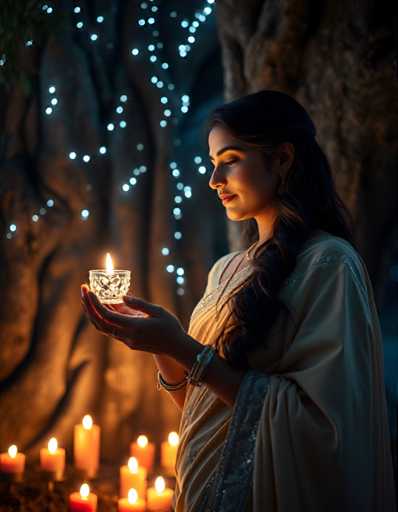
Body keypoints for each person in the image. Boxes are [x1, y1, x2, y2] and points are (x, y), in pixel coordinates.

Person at [81, 90, 397, 511]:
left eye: (229, 160)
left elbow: (325, 429)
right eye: (213, 164)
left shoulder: (330, 265)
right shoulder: (226, 269)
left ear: (282, 159)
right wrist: (162, 347)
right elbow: (207, 406)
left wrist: (180, 345)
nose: (215, 180)